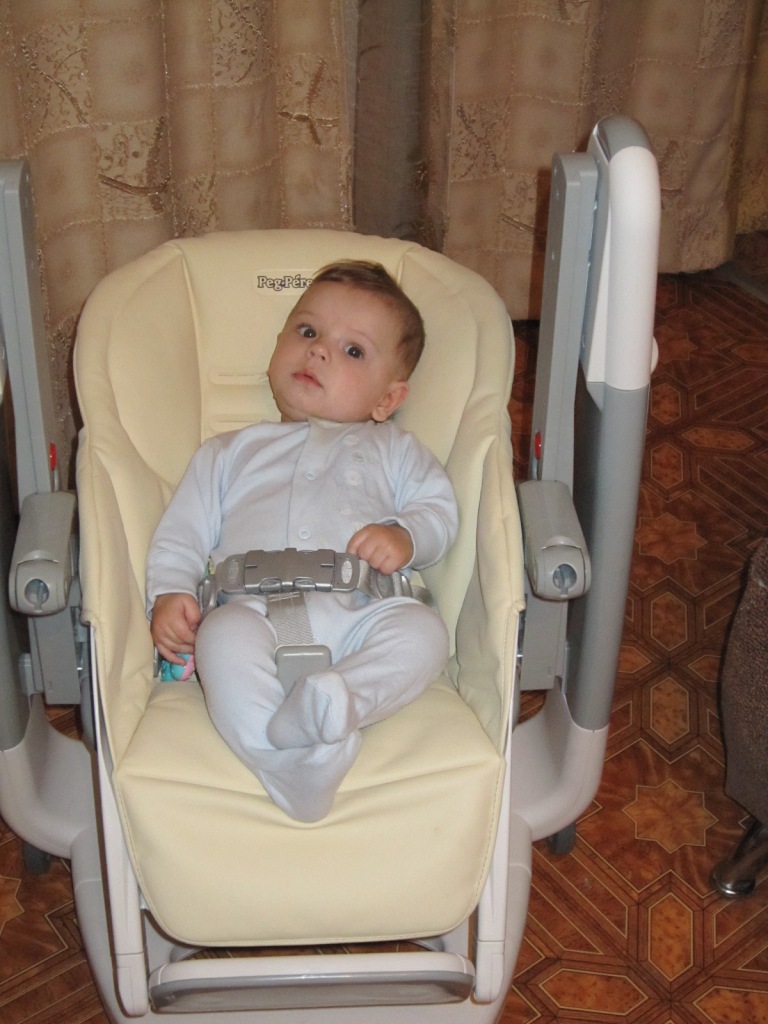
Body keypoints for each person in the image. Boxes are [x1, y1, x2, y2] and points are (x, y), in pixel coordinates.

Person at [146, 261, 458, 822]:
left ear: (387, 400)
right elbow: (182, 534)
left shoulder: (396, 451)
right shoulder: (228, 453)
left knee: (424, 634)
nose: (318, 351)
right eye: (307, 331)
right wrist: (170, 592)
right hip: (254, 612)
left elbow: (439, 511)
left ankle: (342, 700)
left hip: (361, 614)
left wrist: (407, 536)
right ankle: (287, 762)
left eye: (352, 350)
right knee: (220, 639)